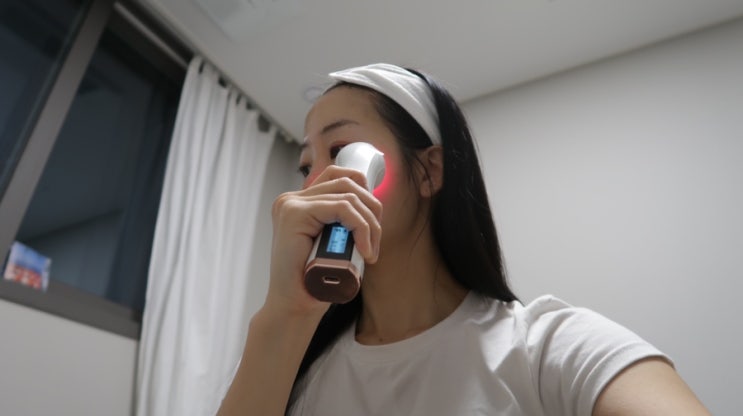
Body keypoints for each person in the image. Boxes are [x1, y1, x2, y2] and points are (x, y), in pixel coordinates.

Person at [218, 63, 709, 415]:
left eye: (341, 151)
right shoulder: (288, 367)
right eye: (305, 167)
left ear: (429, 171)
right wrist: (286, 314)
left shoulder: (549, 349)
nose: (314, 184)